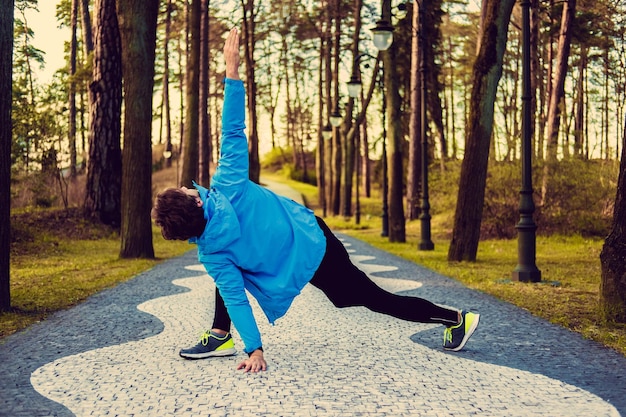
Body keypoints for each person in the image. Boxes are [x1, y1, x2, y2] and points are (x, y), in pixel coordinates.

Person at [151, 28, 480, 373]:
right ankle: (221, 334)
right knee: (370, 298)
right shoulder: (227, 184)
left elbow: (236, 297)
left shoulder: (211, 251)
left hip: (309, 250)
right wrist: (232, 72)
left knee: (366, 297)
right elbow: (232, 129)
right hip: (314, 240)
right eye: (189, 191)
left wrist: (257, 349)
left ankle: (454, 318)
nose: (192, 187)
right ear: (198, 204)